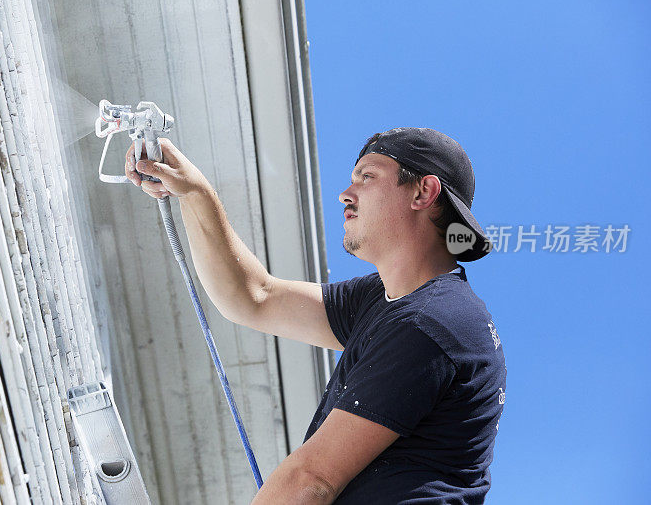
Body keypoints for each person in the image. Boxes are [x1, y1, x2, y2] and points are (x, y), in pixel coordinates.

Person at [125, 127, 507, 504]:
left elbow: (311, 481)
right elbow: (254, 297)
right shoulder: (384, 301)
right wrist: (194, 192)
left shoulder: (432, 321)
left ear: (424, 192)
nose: (345, 194)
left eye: (367, 176)